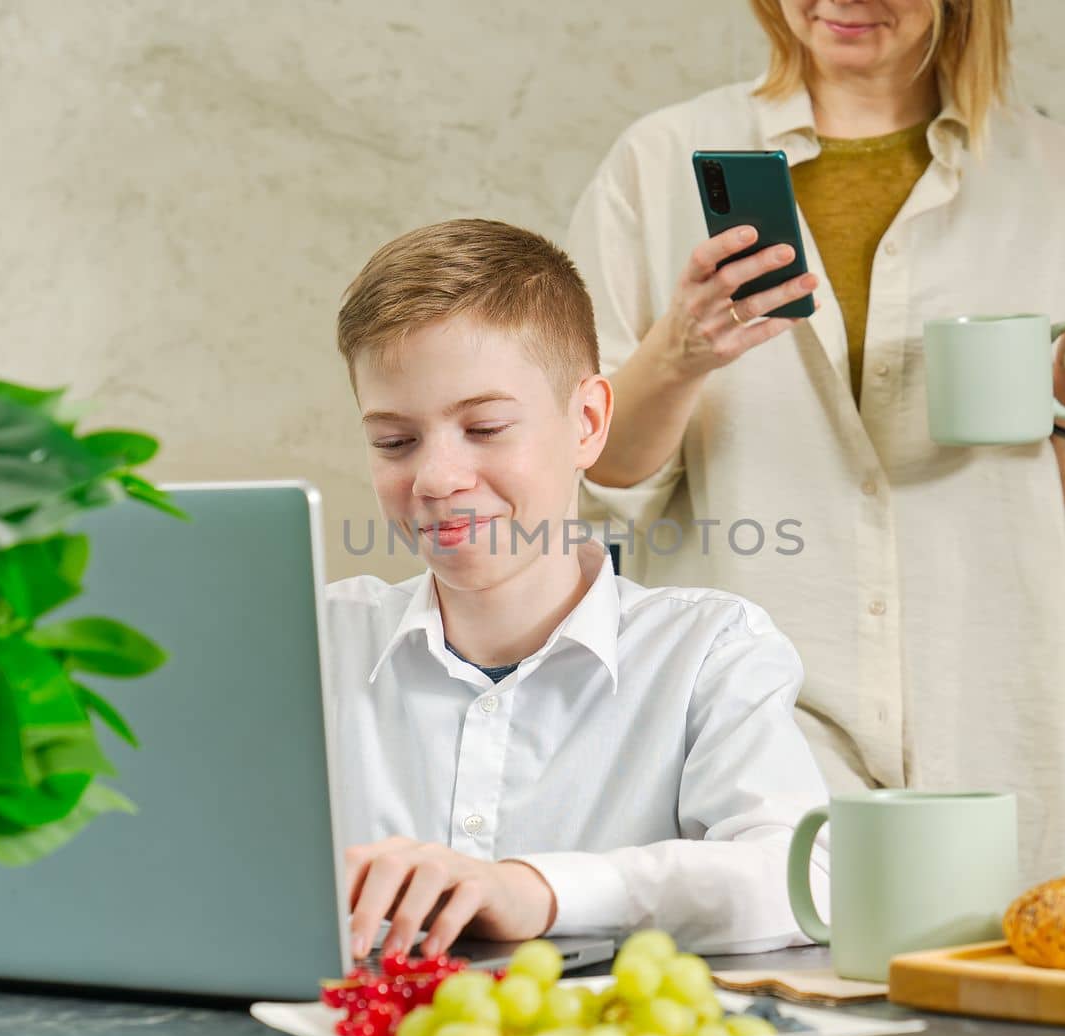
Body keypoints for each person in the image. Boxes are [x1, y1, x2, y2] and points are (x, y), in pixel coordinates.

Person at [567, 0, 1065, 883]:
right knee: (775, 1003)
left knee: (1002, 1008)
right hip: (761, 712)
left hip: (999, 699)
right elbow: (600, 465)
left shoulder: (1055, 174)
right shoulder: (659, 163)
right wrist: (678, 353)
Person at [325, 218, 829, 960]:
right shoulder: (315, 640)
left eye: (487, 426)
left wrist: (535, 889)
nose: (435, 479)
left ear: (588, 422)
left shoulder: (708, 651)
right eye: (394, 441)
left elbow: (804, 877)